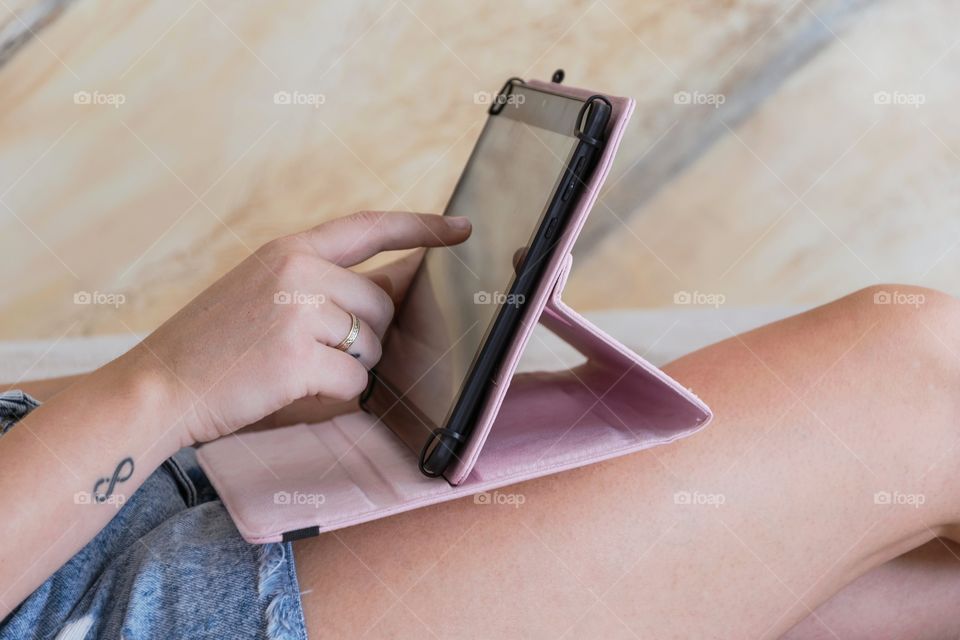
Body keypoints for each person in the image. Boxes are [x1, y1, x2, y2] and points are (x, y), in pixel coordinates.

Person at [2, 210, 959, 639]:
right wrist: (165, 383)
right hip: (118, 611)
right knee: (921, 371)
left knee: (910, 585)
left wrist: (238, 403)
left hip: (106, 517)